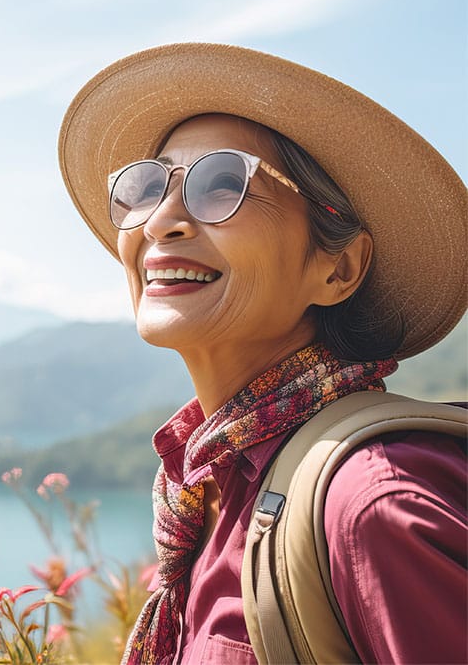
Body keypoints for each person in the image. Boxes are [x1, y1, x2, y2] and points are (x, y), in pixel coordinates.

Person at [57, 44, 467, 664]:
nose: (161, 220)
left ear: (338, 268)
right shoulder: (205, 493)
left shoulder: (371, 506)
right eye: (146, 187)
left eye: (223, 183)